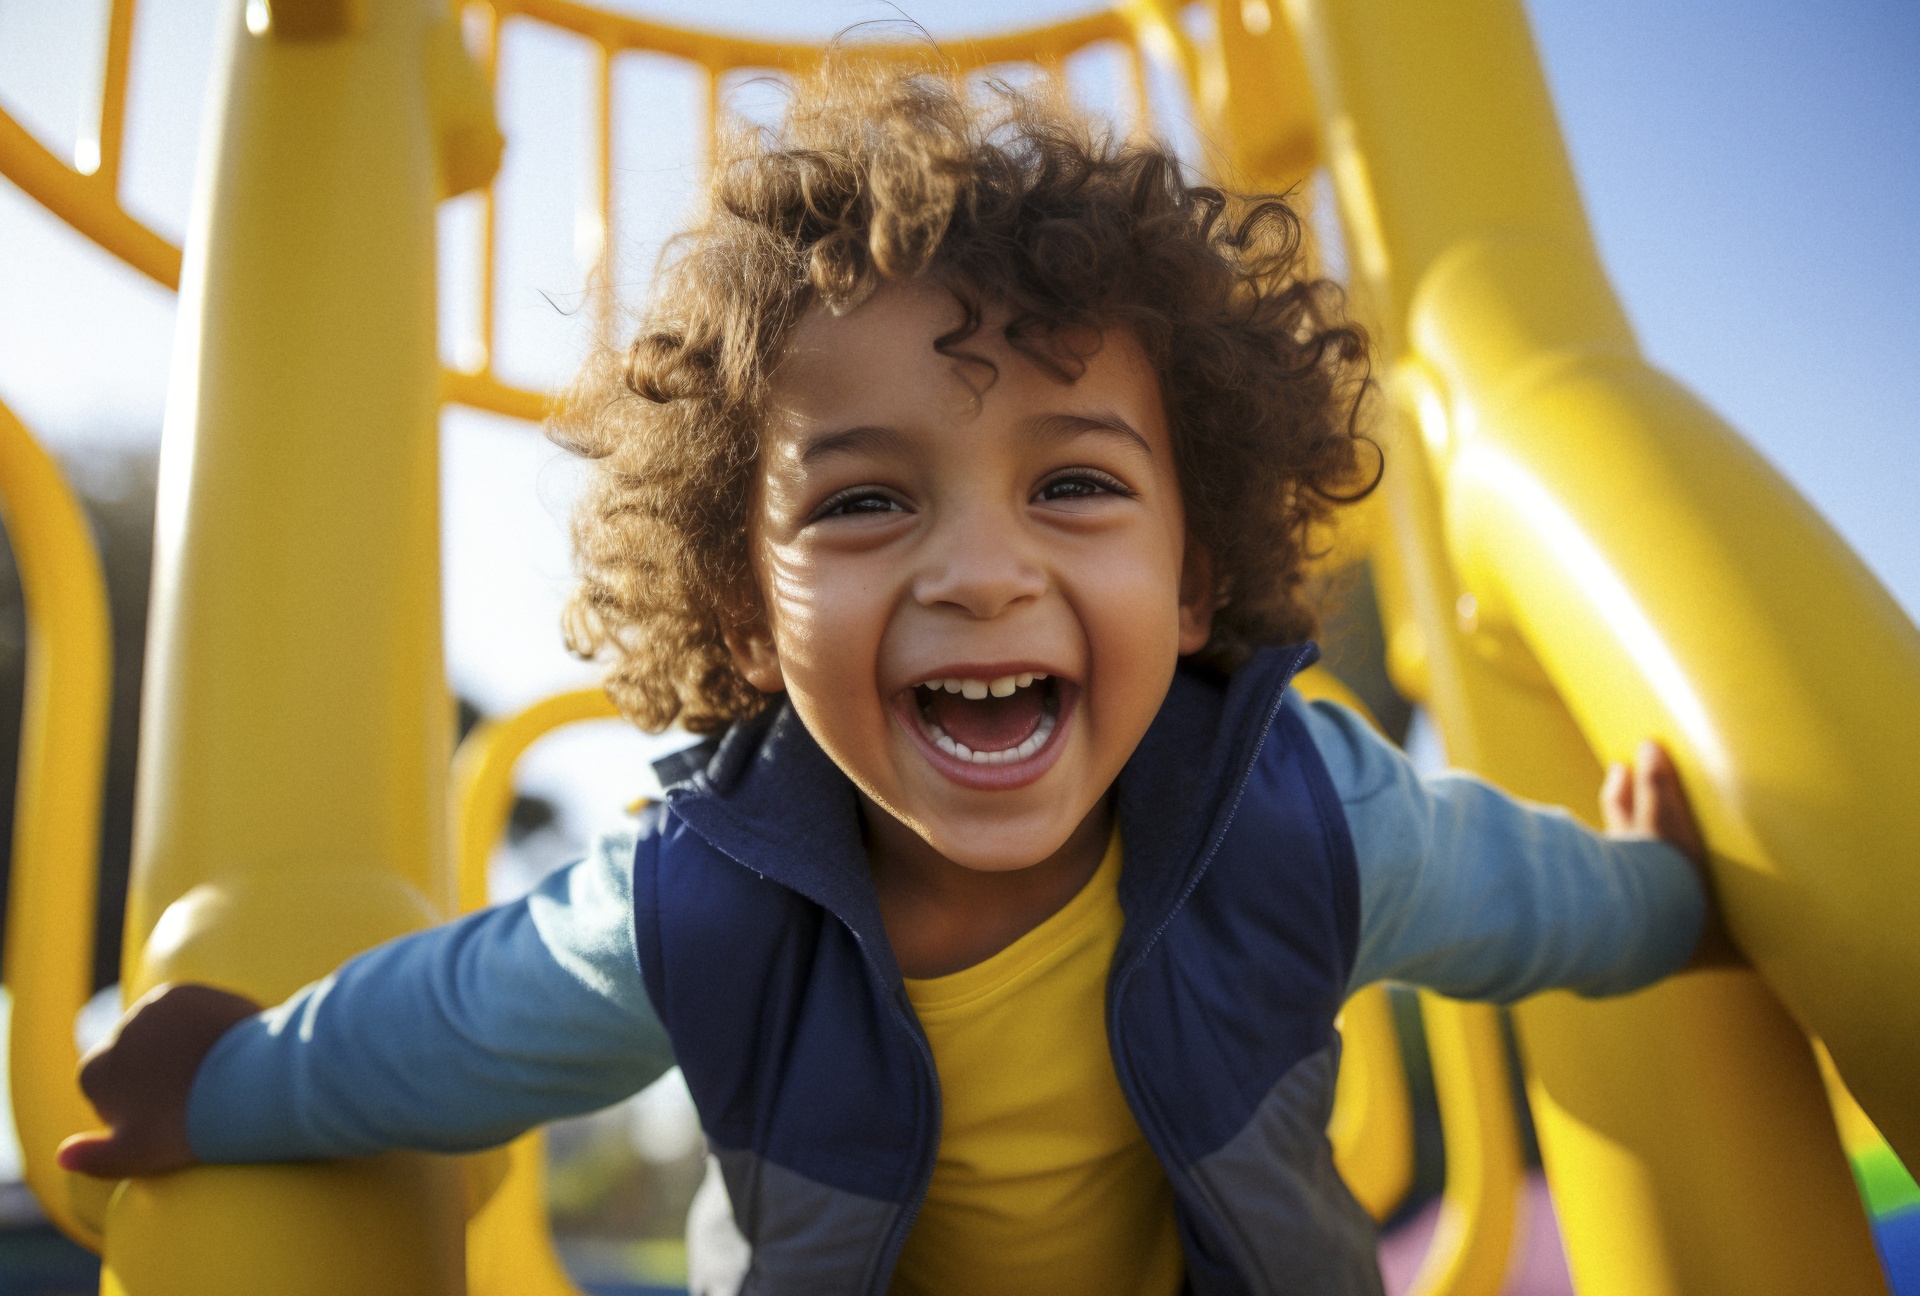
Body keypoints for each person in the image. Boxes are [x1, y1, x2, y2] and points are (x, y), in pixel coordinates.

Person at [58, 60, 1729, 1296]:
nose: (982, 570)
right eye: (864, 502)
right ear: (744, 609)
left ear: (1198, 568)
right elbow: (455, 1029)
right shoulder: (698, 897)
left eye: (1075, 484)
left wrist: (1675, 892)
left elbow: (1540, 909)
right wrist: (229, 1080)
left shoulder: (1308, 811)